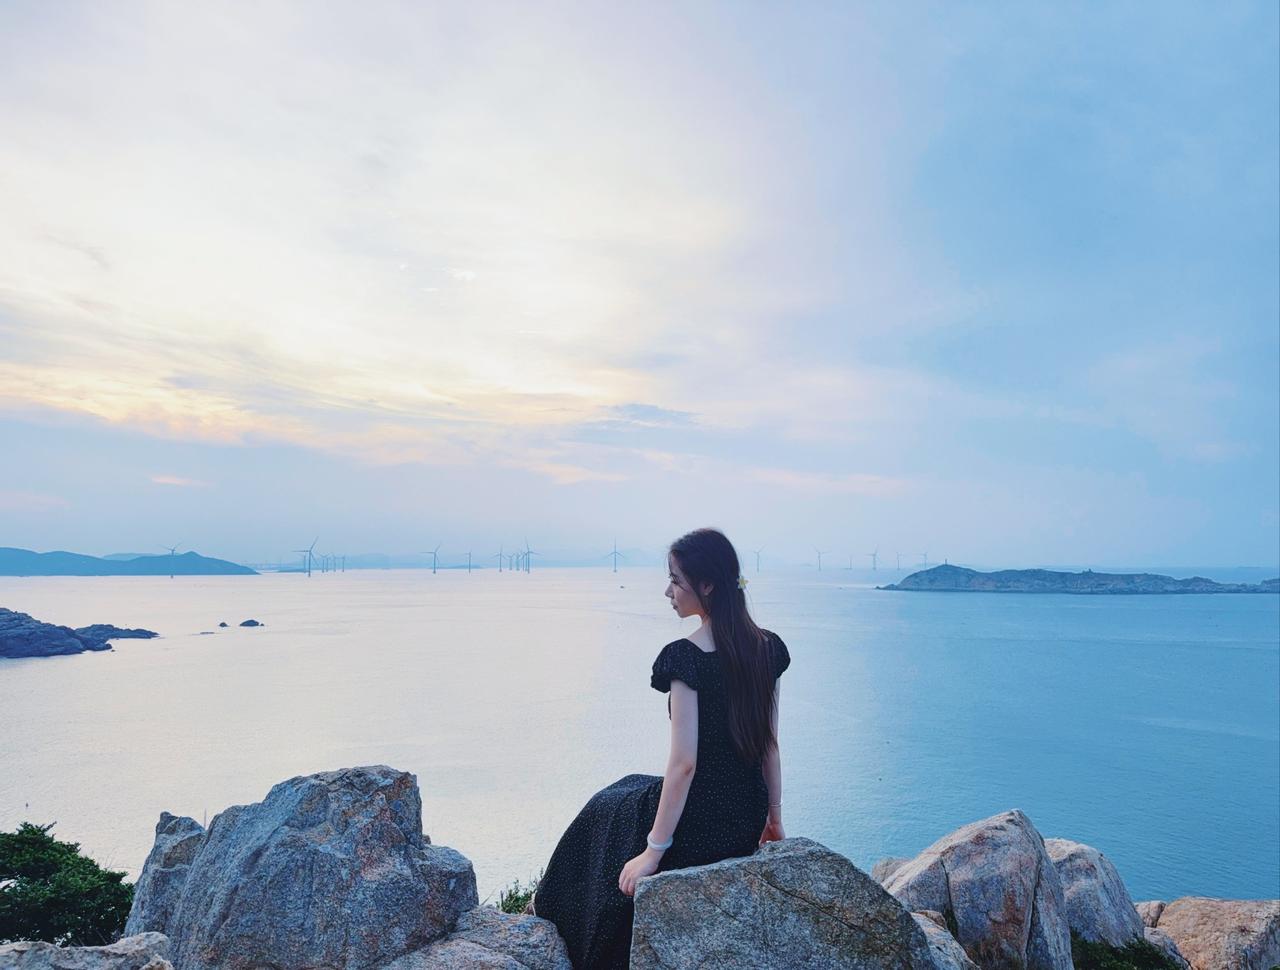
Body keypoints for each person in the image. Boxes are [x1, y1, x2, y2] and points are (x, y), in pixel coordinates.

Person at [529, 527, 790, 969]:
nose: (667, 591)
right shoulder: (767, 648)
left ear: (706, 586)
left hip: (701, 818)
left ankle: (553, 920)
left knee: (604, 812)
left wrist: (655, 850)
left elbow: (684, 765)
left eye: (675, 580)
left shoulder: (685, 657)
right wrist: (773, 818)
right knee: (628, 787)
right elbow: (768, 743)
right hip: (745, 814)